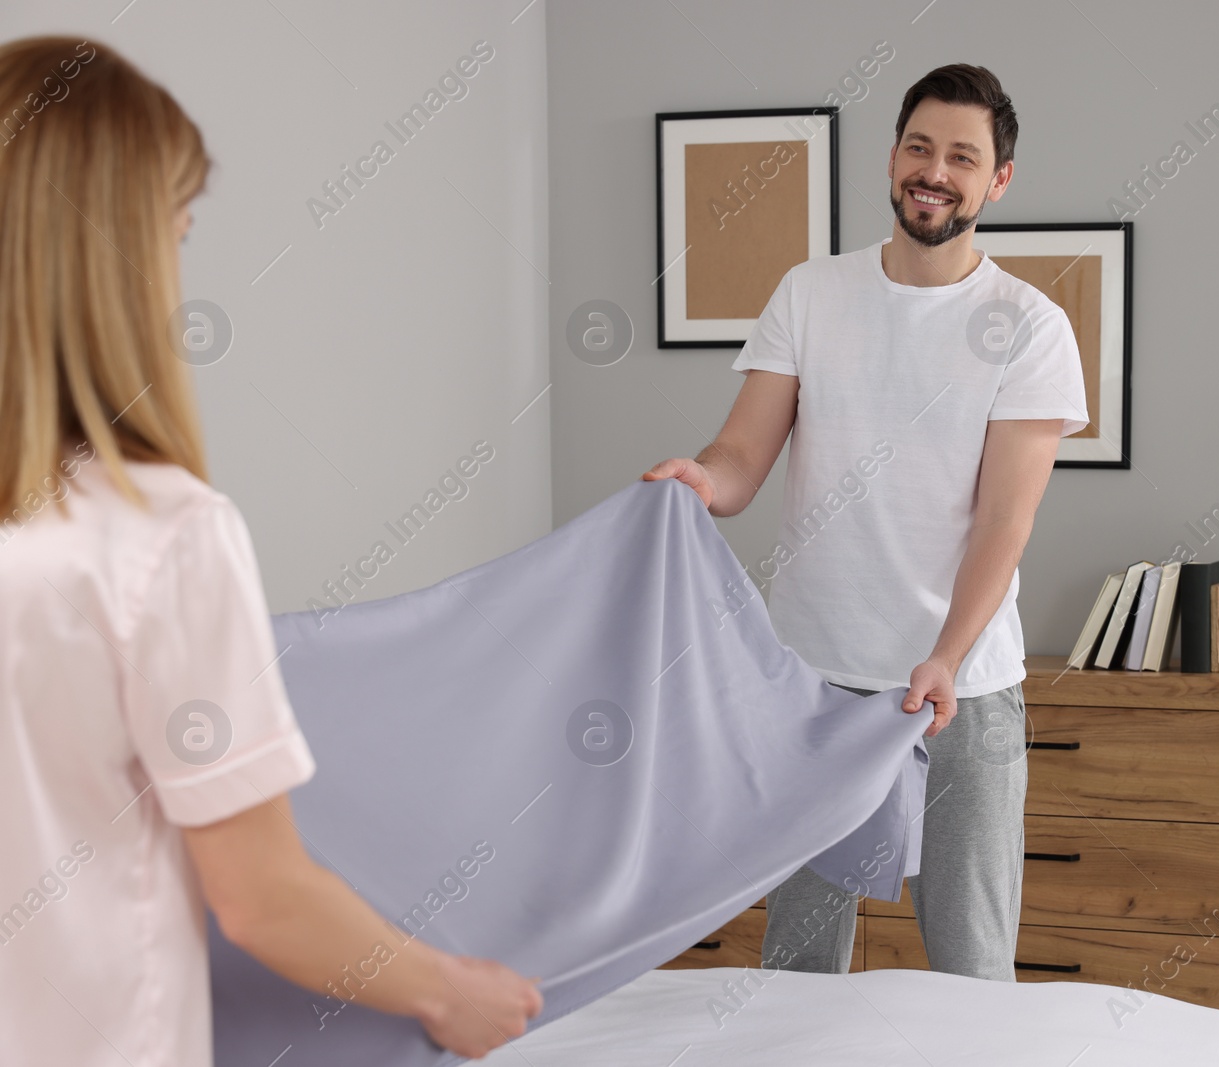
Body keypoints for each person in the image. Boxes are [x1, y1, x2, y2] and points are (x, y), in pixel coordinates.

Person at [0, 36, 541, 1065]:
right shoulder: (160, 536)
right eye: (176, 228)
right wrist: (448, 989)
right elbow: (261, 898)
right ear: (113, 252)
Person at [643, 63, 1090, 981]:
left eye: (963, 157)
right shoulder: (810, 294)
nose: (935, 170)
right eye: (920, 147)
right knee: (798, 973)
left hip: (959, 693)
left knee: (971, 974)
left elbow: (1005, 521)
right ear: (892, 157)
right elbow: (741, 459)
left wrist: (946, 655)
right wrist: (699, 480)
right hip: (814, 691)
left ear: (997, 180)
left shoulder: (1030, 326)